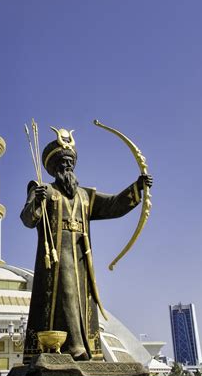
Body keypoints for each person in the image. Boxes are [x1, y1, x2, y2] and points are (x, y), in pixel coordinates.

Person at [21, 128, 152, 362]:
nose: (67, 167)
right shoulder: (44, 190)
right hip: (57, 259)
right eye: (62, 163)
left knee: (82, 299)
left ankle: (86, 348)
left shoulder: (84, 195)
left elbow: (113, 204)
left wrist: (137, 187)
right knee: (66, 293)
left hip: (82, 257)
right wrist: (37, 201)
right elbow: (28, 219)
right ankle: (74, 347)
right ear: (53, 167)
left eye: (70, 163)